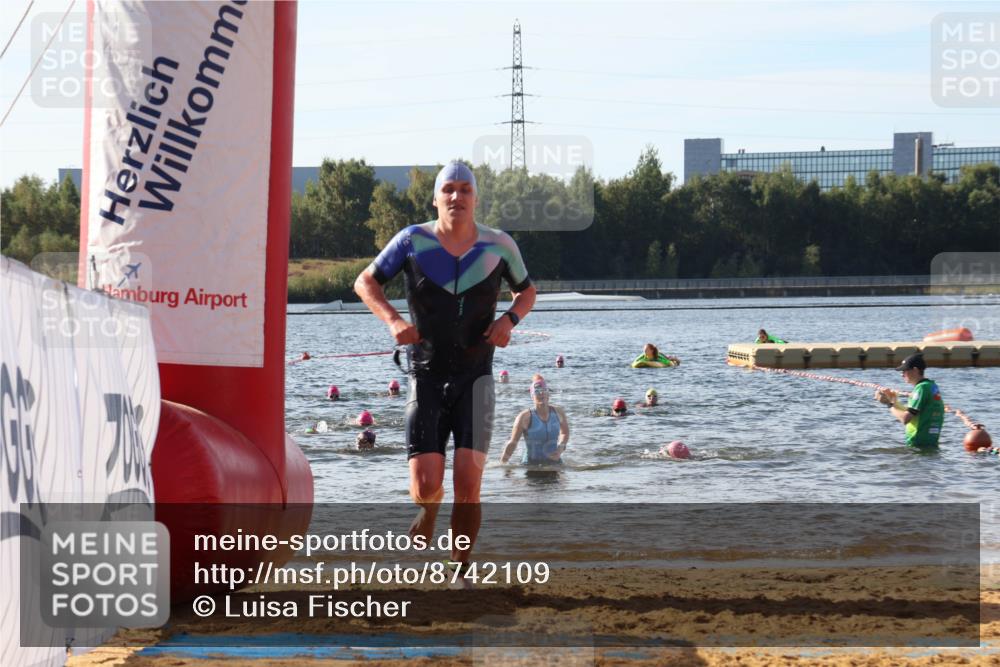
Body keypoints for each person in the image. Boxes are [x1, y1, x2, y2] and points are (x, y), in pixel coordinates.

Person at [354, 160, 536, 572]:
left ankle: (460, 569)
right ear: (436, 198)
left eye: (465, 189)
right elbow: (365, 282)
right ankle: (429, 511)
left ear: (475, 198)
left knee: (469, 485)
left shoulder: (499, 246)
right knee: (427, 484)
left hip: (476, 378)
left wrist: (509, 320)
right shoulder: (411, 241)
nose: (457, 196)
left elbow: (527, 293)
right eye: (448, 189)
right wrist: (394, 321)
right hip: (427, 376)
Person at [874, 353, 944, 449]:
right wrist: (894, 400)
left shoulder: (921, 388)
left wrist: (889, 404)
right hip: (930, 444)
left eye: (904, 370)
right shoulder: (931, 386)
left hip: (918, 445)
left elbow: (905, 418)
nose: (902, 374)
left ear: (915, 370)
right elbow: (913, 413)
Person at [499, 375, 569, 465]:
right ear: (532, 396)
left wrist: (560, 449)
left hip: (555, 462)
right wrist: (503, 465)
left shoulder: (558, 412)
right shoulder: (524, 417)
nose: (541, 394)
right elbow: (513, 442)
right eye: (537, 392)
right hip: (531, 464)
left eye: (544, 390)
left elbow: (565, 433)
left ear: (548, 394)